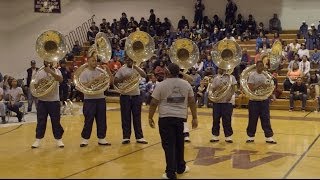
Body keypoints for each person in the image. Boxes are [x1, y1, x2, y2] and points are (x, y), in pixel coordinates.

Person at [148, 63, 198, 179]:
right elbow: (191, 101)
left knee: (169, 145)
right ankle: (181, 168)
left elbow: (154, 102)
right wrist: (195, 117)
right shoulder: (186, 84)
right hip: (180, 118)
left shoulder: (161, 85)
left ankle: (170, 173)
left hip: (165, 118)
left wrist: (150, 117)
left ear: (168, 72)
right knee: (179, 144)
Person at [79, 51, 113, 147]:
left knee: (102, 119)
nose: (95, 62)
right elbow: (84, 87)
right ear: (88, 62)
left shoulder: (101, 71)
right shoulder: (84, 73)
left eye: (96, 61)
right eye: (93, 61)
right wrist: (95, 80)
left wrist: (108, 71)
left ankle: (101, 138)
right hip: (89, 99)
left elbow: (111, 82)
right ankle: (85, 139)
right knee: (88, 120)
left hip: (100, 98)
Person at [114, 56, 148, 144]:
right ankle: (126, 137)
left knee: (137, 117)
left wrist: (136, 67)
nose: (130, 61)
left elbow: (144, 75)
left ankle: (139, 137)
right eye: (128, 60)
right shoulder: (122, 69)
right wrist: (124, 78)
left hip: (136, 95)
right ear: (125, 60)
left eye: (131, 60)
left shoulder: (137, 68)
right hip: (125, 96)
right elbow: (115, 81)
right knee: (125, 117)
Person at [31, 61, 65, 148]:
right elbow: (34, 86)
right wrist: (41, 83)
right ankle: (38, 139)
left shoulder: (57, 70)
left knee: (56, 121)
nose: (48, 61)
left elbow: (60, 80)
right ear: (44, 60)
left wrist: (50, 71)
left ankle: (58, 139)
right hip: (42, 100)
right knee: (41, 121)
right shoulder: (38, 72)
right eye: (46, 59)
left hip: (54, 100)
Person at [246, 61, 277, 144]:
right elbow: (251, 89)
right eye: (259, 66)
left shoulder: (265, 75)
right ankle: (250, 137)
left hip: (264, 100)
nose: (261, 68)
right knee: (252, 119)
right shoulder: (252, 75)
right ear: (256, 67)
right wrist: (261, 85)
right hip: (254, 101)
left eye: (262, 66)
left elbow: (269, 87)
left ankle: (269, 137)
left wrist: (272, 96)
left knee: (266, 119)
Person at [208, 68, 237, 143]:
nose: (218, 69)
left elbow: (234, 88)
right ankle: (215, 135)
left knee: (227, 119)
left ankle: (228, 136)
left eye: (220, 68)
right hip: (217, 102)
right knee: (216, 119)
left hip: (227, 102)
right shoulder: (215, 78)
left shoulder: (231, 77)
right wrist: (214, 93)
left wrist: (230, 96)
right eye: (218, 68)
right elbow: (212, 89)